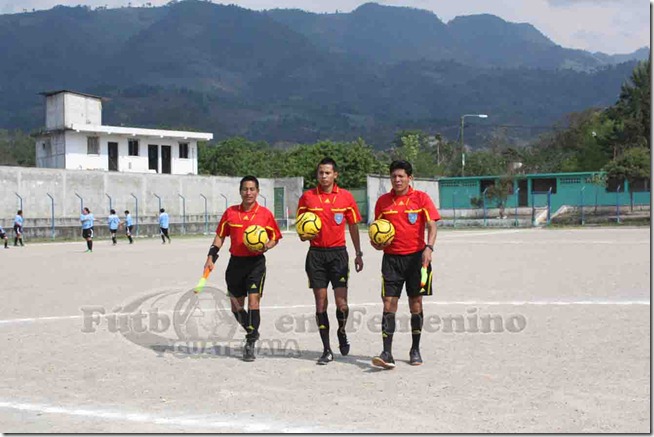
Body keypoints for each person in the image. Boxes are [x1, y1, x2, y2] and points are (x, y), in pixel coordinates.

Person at [370, 160, 440, 369]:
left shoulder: (421, 198)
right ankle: (387, 352)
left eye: (401, 176)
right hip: (391, 260)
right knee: (388, 303)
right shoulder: (383, 202)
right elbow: (377, 231)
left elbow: (432, 225)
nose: (397, 180)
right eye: (394, 176)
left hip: (416, 259)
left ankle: (415, 349)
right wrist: (376, 242)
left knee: (415, 304)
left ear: (410, 177)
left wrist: (429, 247)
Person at [203, 176, 282, 362]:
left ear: (258, 191)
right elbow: (220, 237)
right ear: (240, 191)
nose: (249, 193)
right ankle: (252, 331)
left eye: (252, 189)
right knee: (236, 307)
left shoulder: (265, 214)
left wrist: (266, 246)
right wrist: (210, 257)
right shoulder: (230, 213)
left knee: (254, 302)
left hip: (256, 263)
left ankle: (250, 343)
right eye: (245, 189)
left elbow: (275, 237)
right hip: (235, 264)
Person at [296, 157, 364, 365]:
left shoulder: (346, 198)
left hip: (338, 255)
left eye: (327, 173)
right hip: (316, 255)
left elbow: (353, 226)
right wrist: (304, 235)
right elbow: (301, 229)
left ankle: (342, 330)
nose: (323, 176)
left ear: (335, 175)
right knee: (320, 303)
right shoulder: (307, 198)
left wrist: (358, 253)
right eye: (320, 173)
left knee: (342, 304)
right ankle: (326, 349)